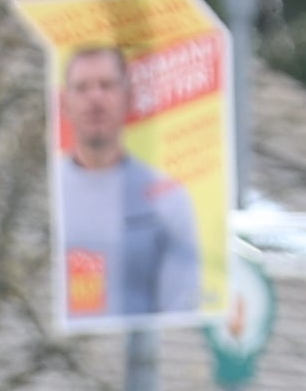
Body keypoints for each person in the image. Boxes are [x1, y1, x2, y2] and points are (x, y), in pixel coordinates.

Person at [51, 37, 201, 322]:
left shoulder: (166, 199)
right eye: (82, 87)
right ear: (64, 103)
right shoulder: (44, 195)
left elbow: (181, 313)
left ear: (128, 97)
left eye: (106, 85)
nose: (95, 98)